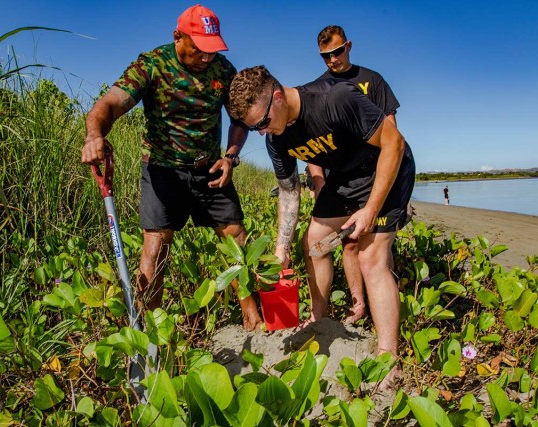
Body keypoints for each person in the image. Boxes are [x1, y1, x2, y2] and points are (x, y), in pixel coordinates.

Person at [227, 65, 415, 387]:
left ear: (278, 97)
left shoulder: (335, 99)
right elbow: (288, 191)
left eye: (262, 123)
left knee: (371, 259)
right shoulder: (277, 138)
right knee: (314, 243)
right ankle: (319, 318)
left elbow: (394, 144)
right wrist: (281, 247)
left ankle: (389, 357)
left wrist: (370, 210)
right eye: (253, 127)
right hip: (346, 179)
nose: (261, 132)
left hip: (387, 168)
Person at [81, 4, 262, 331]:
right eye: (200, 49)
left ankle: (254, 320)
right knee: (155, 250)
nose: (207, 57)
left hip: (209, 169)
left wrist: (231, 156)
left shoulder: (223, 70)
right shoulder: (152, 65)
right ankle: (149, 332)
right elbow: (109, 105)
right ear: (178, 37)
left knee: (238, 241)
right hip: (163, 170)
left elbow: (240, 117)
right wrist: (95, 136)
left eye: (213, 49)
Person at [312, 25, 402, 324]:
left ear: (348, 46)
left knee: (373, 243)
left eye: (337, 52)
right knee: (348, 243)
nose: (332, 60)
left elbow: (391, 129)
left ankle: (383, 303)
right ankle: (358, 305)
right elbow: (310, 142)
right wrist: (319, 181)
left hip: (375, 173)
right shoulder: (318, 87)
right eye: (325, 56)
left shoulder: (372, 81)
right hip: (340, 178)